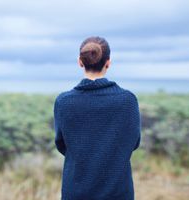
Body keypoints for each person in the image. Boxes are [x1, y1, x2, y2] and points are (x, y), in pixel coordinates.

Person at [53, 36, 141, 200]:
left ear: (80, 62)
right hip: (118, 192)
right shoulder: (127, 100)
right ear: (108, 62)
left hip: (76, 191)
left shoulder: (63, 102)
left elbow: (61, 144)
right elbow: (133, 142)